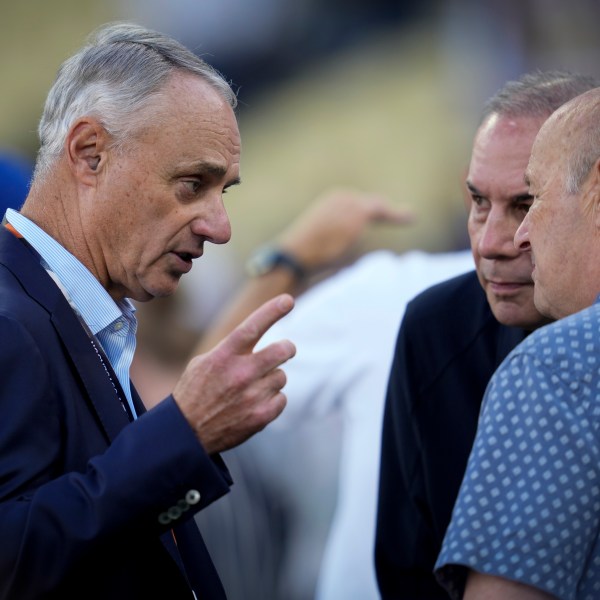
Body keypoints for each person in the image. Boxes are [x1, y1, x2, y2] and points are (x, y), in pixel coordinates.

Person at [0, 22, 297, 600]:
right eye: (192, 185)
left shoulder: (76, 313)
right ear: (90, 154)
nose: (220, 227)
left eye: (223, 191)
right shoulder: (10, 322)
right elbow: (10, 561)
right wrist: (183, 433)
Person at [374, 70, 599, 599]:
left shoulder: (550, 370)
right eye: (478, 202)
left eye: (527, 203)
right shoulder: (435, 331)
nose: (495, 241)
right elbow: (406, 571)